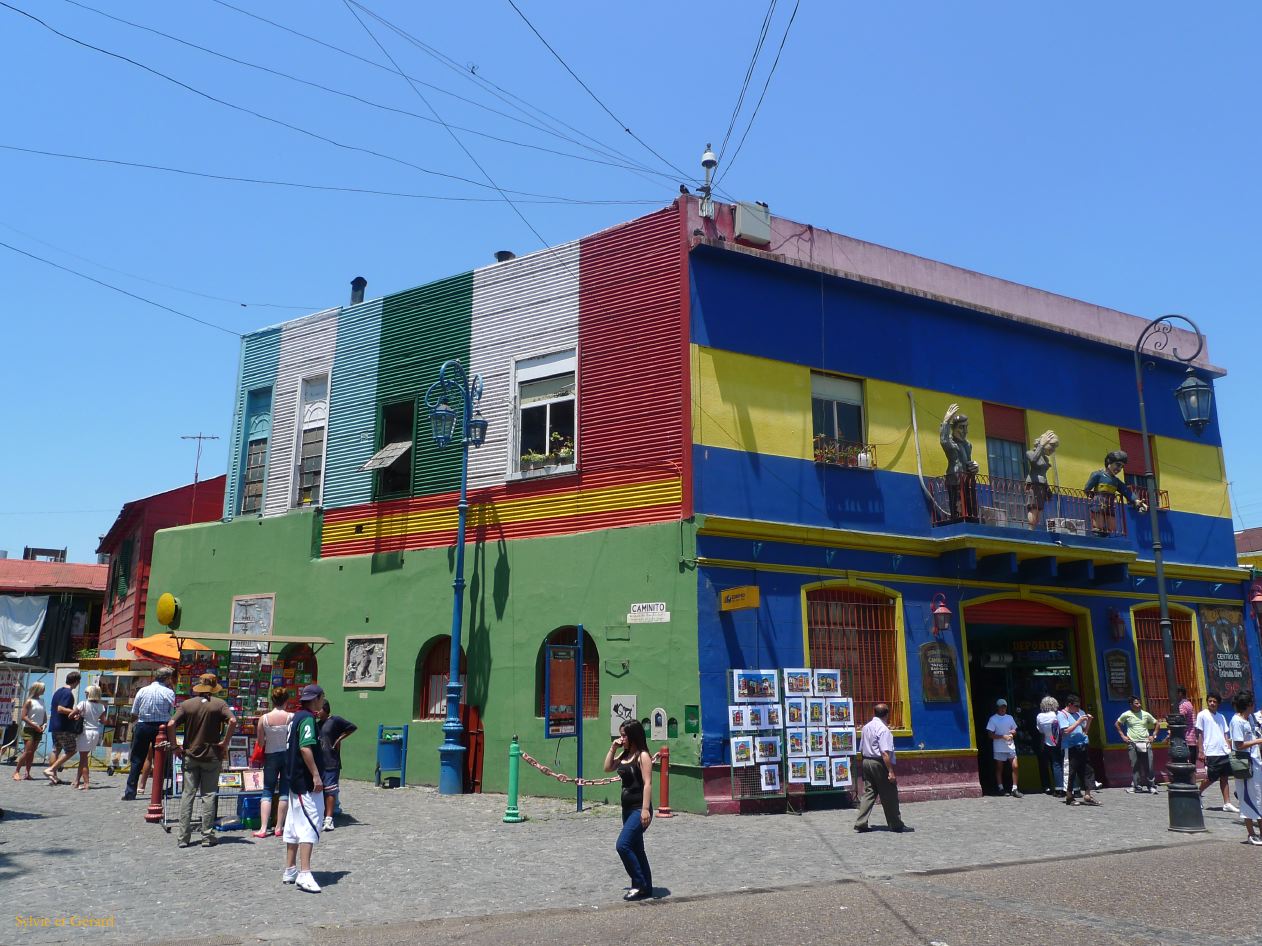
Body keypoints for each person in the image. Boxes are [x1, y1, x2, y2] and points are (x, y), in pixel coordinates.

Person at [170, 673, 237, 849]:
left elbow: (170, 725)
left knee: (187, 795)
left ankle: (183, 837)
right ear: (214, 687)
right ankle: (207, 836)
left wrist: (174, 747)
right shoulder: (219, 704)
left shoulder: (187, 705)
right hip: (211, 755)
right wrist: (225, 742)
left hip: (190, 755)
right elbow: (233, 720)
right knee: (208, 796)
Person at [283, 684, 327, 893]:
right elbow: (305, 747)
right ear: (316, 698)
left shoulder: (295, 717)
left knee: (293, 824)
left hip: (293, 778)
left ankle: (290, 868)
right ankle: (305, 872)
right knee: (310, 823)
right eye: (321, 698)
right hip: (305, 781)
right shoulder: (308, 719)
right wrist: (316, 775)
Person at [603, 719, 654, 900]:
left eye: (624, 735)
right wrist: (613, 748)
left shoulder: (643, 756)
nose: (621, 738)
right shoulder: (625, 756)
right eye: (621, 735)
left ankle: (639, 883)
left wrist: (645, 809)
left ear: (633, 736)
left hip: (639, 808)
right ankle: (646, 888)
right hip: (627, 808)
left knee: (623, 845)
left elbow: (648, 783)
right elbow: (608, 767)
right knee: (637, 848)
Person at [854, 703, 908, 832]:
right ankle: (895, 823)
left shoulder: (866, 727)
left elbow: (861, 748)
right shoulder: (883, 730)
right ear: (887, 714)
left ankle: (861, 822)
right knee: (889, 793)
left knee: (869, 792)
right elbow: (885, 752)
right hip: (879, 763)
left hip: (866, 761)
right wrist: (890, 771)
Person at [123, 666, 175, 800]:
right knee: (162, 759)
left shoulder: (142, 691)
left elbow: (134, 712)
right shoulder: (169, 693)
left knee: (137, 759)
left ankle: (130, 791)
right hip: (161, 727)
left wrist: (133, 727)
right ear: (168, 678)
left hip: (143, 725)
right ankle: (159, 789)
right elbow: (172, 713)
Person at [253, 687, 292, 839]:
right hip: (287, 755)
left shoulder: (264, 718)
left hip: (270, 755)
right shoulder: (291, 717)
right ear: (286, 701)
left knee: (267, 790)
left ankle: (263, 828)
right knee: (284, 790)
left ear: (272, 701)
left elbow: (261, 743)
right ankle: (279, 827)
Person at [317, 699, 357, 831]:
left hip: (331, 761)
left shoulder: (334, 720)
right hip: (319, 763)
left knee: (330, 790)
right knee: (321, 791)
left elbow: (351, 727)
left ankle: (329, 819)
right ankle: (322, 815)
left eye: (319, 709)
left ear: (326, 709)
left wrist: (339, 739)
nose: (317, 711)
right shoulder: (316, 724)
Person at [1085, 450, 1148, 535]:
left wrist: (1136, 501)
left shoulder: (1116, 481)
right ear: (1109, 462)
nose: (1119, 469)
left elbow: (1126, 491)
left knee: (1111, 527)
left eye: (1121, 467)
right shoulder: (1097, 475)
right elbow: (1087, 488)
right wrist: (1092, 497)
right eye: (1118, 465)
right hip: (1098, 503)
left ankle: (1105, 535)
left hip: (1110, 506)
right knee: (1098, 526)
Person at [1228, 691, 1262, 845]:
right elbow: (1238, 745)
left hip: (1255, 764)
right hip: (1245, 765)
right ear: (1248, 705)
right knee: (1247, 798)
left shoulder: (1248, 720)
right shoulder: (1237, 721)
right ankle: (1251, 833)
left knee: (1259, 797)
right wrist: (1258, 741)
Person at [1196, 692, 1237, 813]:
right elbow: (1199, 733)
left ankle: (1227, 803)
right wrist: (1201, 750)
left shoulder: (1221, 717)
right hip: (1211, 750)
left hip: (1223, 750)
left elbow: (1225, 734)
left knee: (1225, 777)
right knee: (1211, 777)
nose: (1212, 703)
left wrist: (1229, 748)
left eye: (1214, 701)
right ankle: (1197, 793)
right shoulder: (1202, 715)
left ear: (1218, 703)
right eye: (1210, 701)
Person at [1057, 695, 1099, 806]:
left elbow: (1085, 731)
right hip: (1070, 747)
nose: (1078, 708)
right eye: (1076, 706)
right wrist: (1079, 721)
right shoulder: (1062, 715)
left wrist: (1089, 721)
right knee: (1070, 771)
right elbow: (1066, 731)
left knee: (1087, 770)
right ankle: (1069, 796)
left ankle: (1088, 795)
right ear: (1069, 705)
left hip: (1082, 745)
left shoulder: (1079, 713)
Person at [940, 403, 979, 521]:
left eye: (966, 427)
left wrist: (974, 467)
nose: (965, 431)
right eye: (961, 427)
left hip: (968, 482)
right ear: (953, 429)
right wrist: (946, 420)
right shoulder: (951, 444)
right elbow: (943, 440)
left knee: (971, 512)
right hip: (955, 482)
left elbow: (968, 462)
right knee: (958, 510)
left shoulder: (968, 445)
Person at [1115, 696, 1162, 794]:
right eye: (1136, 703)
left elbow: (1157, 723)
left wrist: (1154, 735)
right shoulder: (1126, 715)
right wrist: (1123, 736)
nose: (1139, 705)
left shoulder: (1145, 714)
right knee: (1135, 765)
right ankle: (1137, 786)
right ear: (1131, 704)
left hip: (1145, 742)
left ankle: (1151, 786)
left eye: (1139, 703)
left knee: (1149, 765)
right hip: (1132, 743)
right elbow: (1117, 724)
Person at [44, 671, 82, 785]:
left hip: (55, 725)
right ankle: (51, 769)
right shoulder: (68, 693)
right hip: (63, 726)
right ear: (76, 681)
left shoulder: (58, 691)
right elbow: (60, 708)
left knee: (56, 750)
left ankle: (53, 776)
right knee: (71, 750)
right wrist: (75, 712)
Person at [985, 698, 1023, 798]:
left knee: (1015, 766)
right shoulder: (993, 719)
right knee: (999, 768)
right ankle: (1000, 787)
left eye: (1004, 707)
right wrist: (1002, 736)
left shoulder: (1009, 718)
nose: (1003, 709)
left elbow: (1014, 729)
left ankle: (1014, 788)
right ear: (997, 708)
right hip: (999, 747)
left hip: (1010, 746)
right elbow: (990, 735)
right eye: (1001, 707)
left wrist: (1013, 732)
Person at [72, 685, 107, 791]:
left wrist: (77, 717)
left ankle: (86, 783)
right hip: (95, 732)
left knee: (83, 759)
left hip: (85, 732)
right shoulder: (101, 707)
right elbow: (104, 721)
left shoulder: (83, 704)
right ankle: (77, 780)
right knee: (84, 757)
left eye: (86, 692)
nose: (85, 694)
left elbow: (71, 715)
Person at [1025, 430, 1059, 528]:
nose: (1053, 450)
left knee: (1039, 511)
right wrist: (1041, 444)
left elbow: (1043, 476)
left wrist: (1048, 490)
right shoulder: (1030, 453)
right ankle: (1030, 529)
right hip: (1033, 485)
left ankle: (1033, 528)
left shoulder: (1046, 459)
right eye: (1052, 446)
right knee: (1033, 508)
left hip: (1042, 487)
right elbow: (1033, 460)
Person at [13, 682, 46, 781]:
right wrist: (34, 725)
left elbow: (44, 715)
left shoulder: (42, 701)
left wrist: (44, 724)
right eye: (43, 688)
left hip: (39, 729)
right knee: (27, 752)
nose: (44, 690)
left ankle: (27, 772)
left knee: (32, 752)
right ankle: (16, 771)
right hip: (29, 729)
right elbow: (23, 717)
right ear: (37, 689)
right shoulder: (29, 701)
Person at [1034, 695, 1063, 796]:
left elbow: (1040, 731)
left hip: (1045, 742)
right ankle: (1059, 787)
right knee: (1057, 765)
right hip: (1057, 742)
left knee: (1044, 765)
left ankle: (1046, 786)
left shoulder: (1039, 716)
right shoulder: (1058, 714)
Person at [1177, 687, 1198, 770]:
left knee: (1185, 761)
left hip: (1186, 736)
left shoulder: (1182, 705)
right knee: (1192, 762)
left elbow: (1180, 719)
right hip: (1192, 736)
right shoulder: (1189, 703)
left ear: (1180, 693)